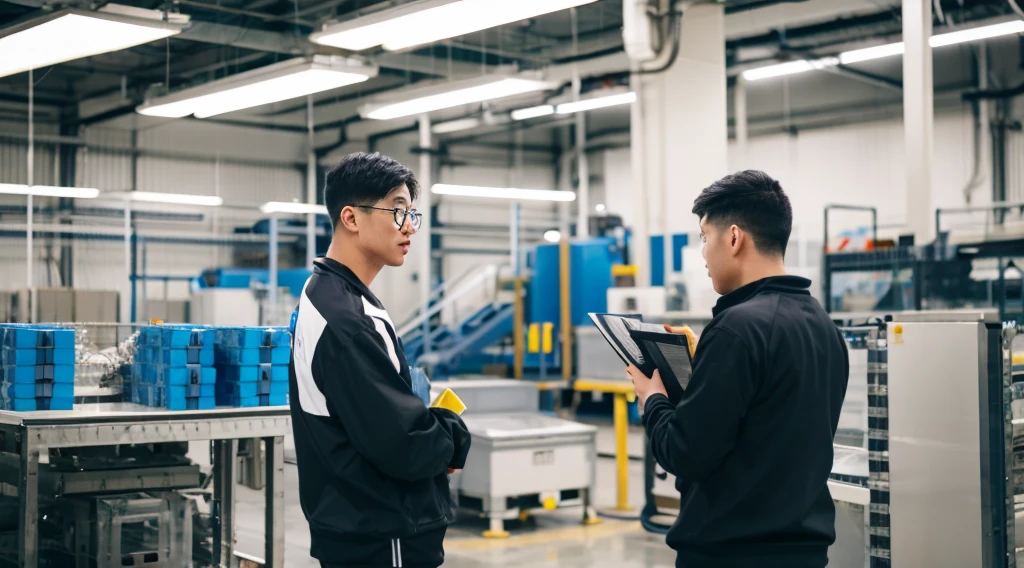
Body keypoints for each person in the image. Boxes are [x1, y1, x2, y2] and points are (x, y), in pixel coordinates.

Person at [628, 170, 849, 568]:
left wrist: (653, 399)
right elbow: (768, 425)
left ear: (733, 238)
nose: (703, 253)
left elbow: (684, 453)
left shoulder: (737, 329)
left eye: (704, 238)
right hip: (805, 554)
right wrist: (706, 366)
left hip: (732, 554)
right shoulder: (822, 325)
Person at [288, 152, 471, 568]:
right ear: (351, 218)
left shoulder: (332, 296)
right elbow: (402, 442)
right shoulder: (345, 319)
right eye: (396, 211)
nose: (408, 226)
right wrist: (452, 437)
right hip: (380, 531)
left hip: (359, 521)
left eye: (411, 213)